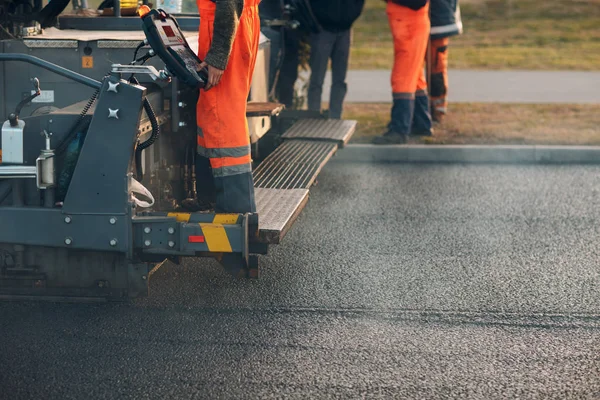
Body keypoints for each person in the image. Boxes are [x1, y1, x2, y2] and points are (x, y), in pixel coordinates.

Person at [194, 0, 260, 213]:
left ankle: (236, 208)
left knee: (223, 119)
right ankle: (209, 196)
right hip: (239, 24)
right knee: (210, 114)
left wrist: (218, 57)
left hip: (226, 28)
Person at [372, 0, 432, 144]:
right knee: (415, 78)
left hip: (411, 29)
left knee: (402, 79)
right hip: (409, 28)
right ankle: (421, 124)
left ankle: (399, 130)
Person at [307, 0, 365, 119]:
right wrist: (318, 19)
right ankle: (313, 116)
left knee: (340, 79)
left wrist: (350, 18)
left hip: (344, 30)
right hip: (322, 30)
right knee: (317, 78)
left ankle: (336, 116)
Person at [259, 0, 302, 108]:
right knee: (267, 75)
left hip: (288, 32)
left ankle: (285, 110)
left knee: (287, 75)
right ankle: (266, 106)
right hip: (268, 29)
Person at [428, 0, 462, 122]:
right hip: (436, 15)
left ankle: (437, 108)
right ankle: (430, 108)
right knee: (434, 66)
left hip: (439, 18)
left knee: (436, 66)